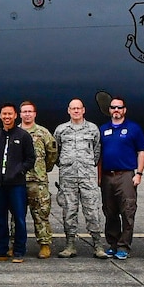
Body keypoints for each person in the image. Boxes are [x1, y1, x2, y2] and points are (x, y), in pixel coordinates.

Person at [53, 98, 107, 258]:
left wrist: (88, 165)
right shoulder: (61, 130)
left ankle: (98, 244)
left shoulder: (92, 129)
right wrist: (66, 165)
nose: (76, 111)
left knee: (92, 211)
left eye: (78, 108)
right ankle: (70, 244)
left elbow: (97, 151)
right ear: (68, 111)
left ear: (83, 110)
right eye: (73, 108)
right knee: (69, 212)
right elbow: (56, 152)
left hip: (87, 178)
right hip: (68, 178)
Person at [0, 103, 34, 262]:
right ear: (0, 116)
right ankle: (1, 250)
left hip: (16, 185)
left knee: (19, 218)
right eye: (4, 114)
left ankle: (19, 251)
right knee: (0, 218)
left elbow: (30, 159)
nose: (7, 117)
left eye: (10, 114)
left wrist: (19, 171)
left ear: (15, 116)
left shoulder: (23, 136)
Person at [98, 97, 144, 259]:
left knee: (127, 211)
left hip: (125, 175)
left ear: (124, 110)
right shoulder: (103, 129)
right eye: (113, 107)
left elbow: (141, 151)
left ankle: (124, 246)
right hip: (107, 176)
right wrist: (99, 178)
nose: (116, 110)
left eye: (119, 107)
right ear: (109, 110)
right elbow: (99, 157)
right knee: (110, 212)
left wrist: (138, 174)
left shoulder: (134, 128)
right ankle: (112, 243)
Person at [19, 100, 58, 259]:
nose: (27, 114)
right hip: (18, 180)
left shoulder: (43, 133)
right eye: (24, 111)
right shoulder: (15, 132)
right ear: (20, 114)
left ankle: (44, 245)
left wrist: (43, 169)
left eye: (30, 111)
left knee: (41, 213)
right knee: (17, 215)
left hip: (38, 181)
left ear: (34, 114)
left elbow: (52, 154)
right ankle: (16, 245)